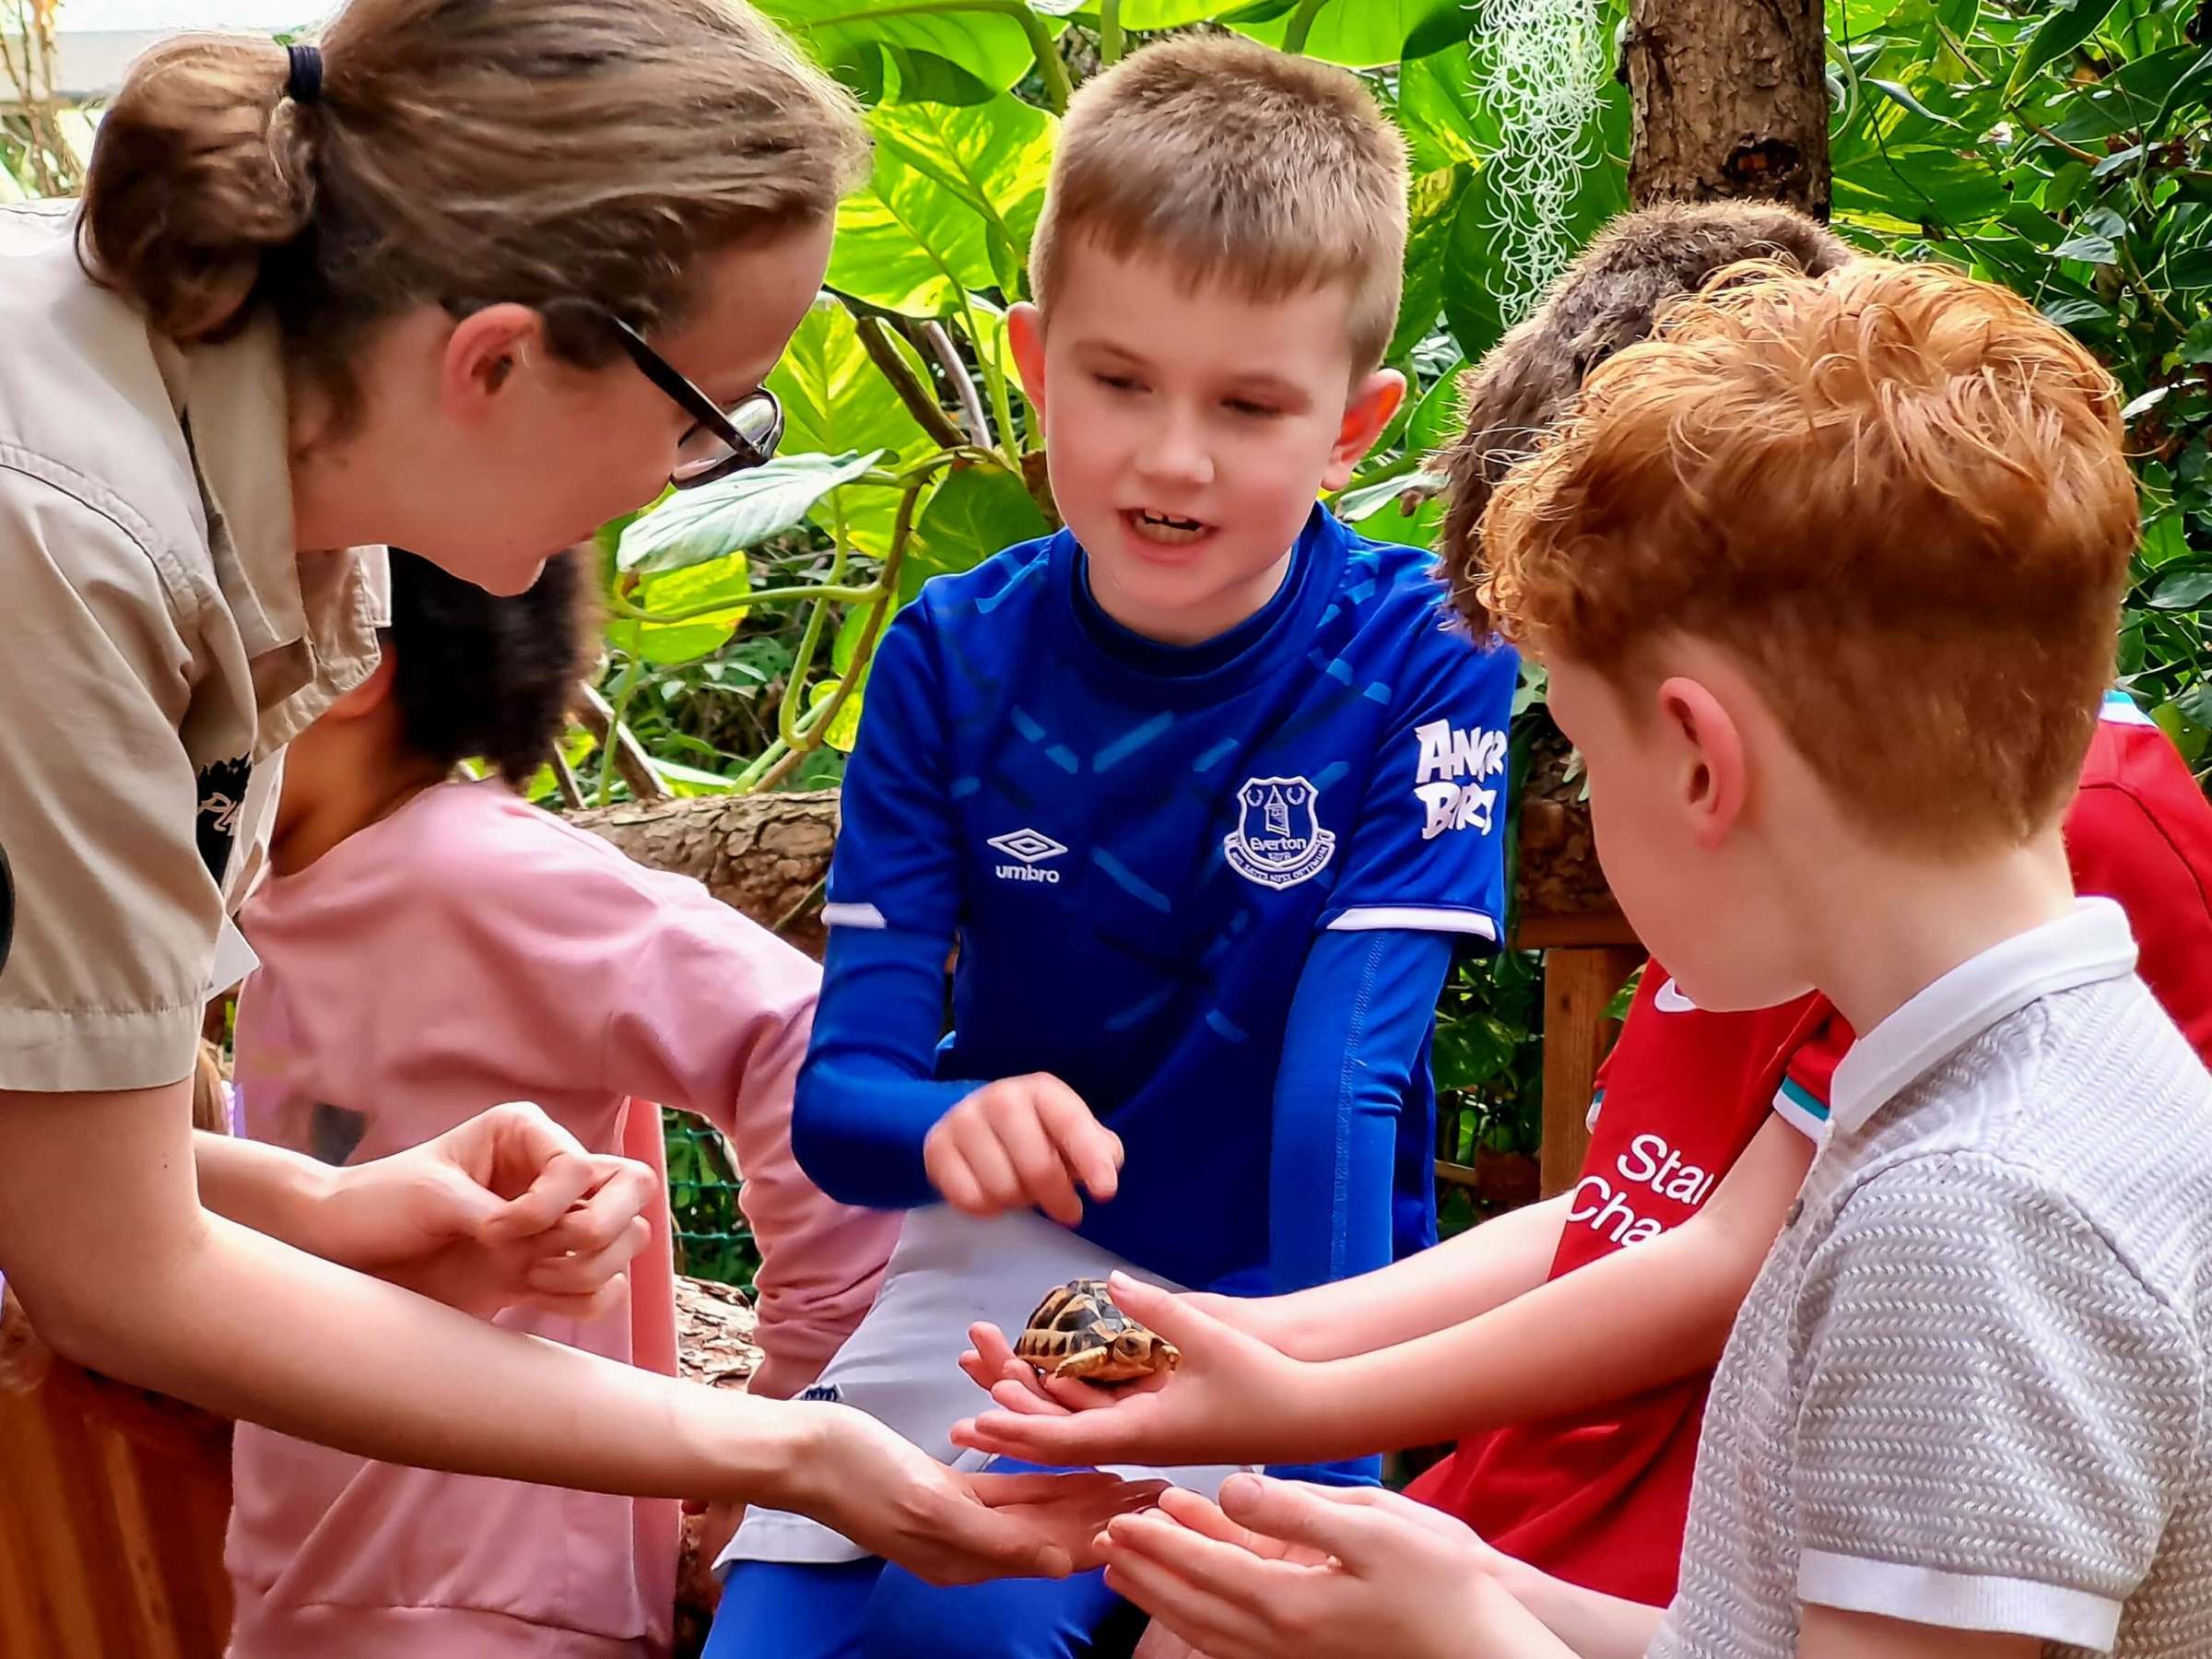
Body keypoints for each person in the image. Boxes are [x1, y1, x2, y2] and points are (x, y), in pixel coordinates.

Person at [0, 0, 1139, 1585]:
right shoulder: (66, 540)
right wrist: (787, 1447)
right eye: (705, 415)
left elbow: (53, 1167)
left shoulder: (234, 476)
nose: (688, 470)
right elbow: (113, 1272)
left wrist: (332, 1212)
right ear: (499, 357)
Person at [949, 202, 2212, 1618]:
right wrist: (1286, 1399)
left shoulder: (1971, 1218)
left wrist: (1465, 1625)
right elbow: (1629, 1226)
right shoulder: (1986, 1058)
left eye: (1585, 758)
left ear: (1697, 761)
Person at [708, 33, 1519, 1659]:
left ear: (1354, 425)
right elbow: (849, 1105)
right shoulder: (954, 652)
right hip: (1005, 1271)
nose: (1172, 458)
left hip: (1286, 1293)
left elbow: (1346, 1087)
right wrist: (954, 1123)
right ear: (1033, 358)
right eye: (1120, 381)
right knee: (783, 1639)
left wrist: (1311, 1473)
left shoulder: (1425, 652)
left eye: (1249, 403)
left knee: (971, 1638)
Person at [221, 547, 903, 1655]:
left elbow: (800, 1038)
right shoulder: (283, 902)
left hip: (496, 1597)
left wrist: (790, 1399)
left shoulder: (472, 868)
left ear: (346, 664)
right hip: (312, 1583)